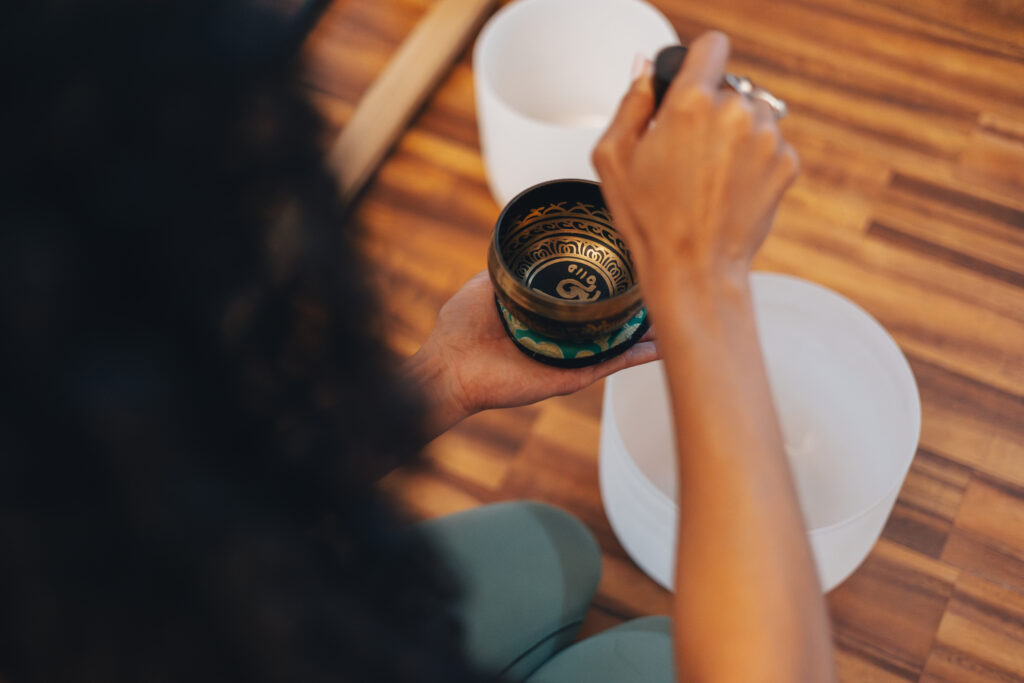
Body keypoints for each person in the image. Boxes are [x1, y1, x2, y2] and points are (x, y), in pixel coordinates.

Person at [0, 0, 835, 680]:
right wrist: (706, 285)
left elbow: (199, 529)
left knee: (558, 546)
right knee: (659, 656)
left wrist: (446, 373)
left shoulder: (62, 506)